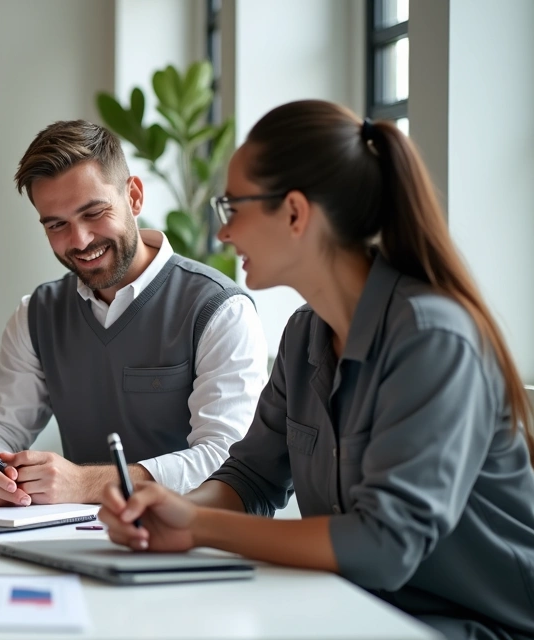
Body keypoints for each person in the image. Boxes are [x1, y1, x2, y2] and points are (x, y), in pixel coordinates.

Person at [99, 100, 534, 640]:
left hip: (472, 627)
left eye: (232, 208)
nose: (222, 234)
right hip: (354, 610)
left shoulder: (432, 338)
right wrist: (171, 510)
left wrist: (198, 527)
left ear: (296, 213)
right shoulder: (306, 333)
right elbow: (253, 477)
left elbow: (383, 546)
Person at [0, 120, 268, 506]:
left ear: (134, 196)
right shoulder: (36, 314)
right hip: (76, 543)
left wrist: (88, 484)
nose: (80, 240)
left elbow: (227, 461)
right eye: (57, 225)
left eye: (93, 213)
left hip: (197, 546)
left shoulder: (221, 309)